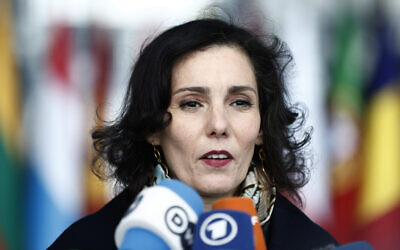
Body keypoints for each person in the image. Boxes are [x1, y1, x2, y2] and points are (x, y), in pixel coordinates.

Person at [49, 18, 338, 249]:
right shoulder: (87, 242)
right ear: (153, 127)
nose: (219, 125)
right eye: (192, 104)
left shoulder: (311, 244)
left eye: (240, 102)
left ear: (262, 127)